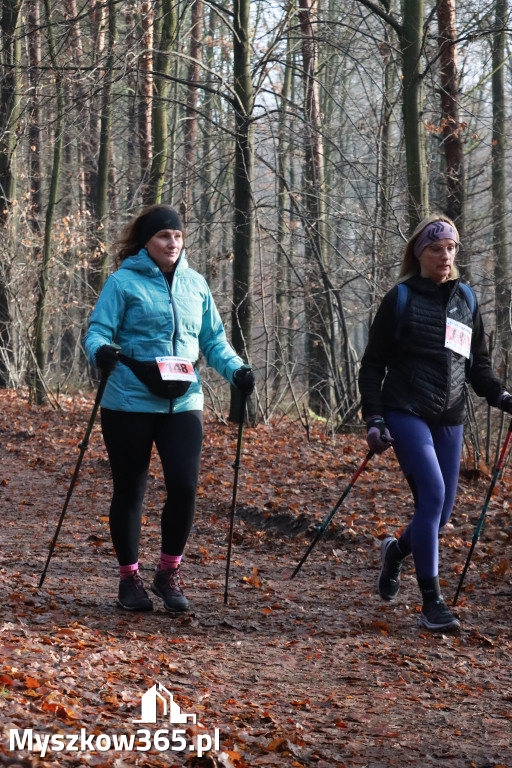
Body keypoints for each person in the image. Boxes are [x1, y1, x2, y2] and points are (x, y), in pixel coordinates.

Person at [84, 205, 255, 613]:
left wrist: (237, 370)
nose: (172, 243)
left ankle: (168, 573)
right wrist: (101, 352)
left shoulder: (196, 285)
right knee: (130, 490)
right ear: (146, 242)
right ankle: (129, 579)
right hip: (129, 400)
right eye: (164, 236)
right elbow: (97, 331)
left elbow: (213, 341)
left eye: (177, 236)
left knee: (184, 486)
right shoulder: (122, 282)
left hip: (184, 400)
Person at [358, 214, 512, 632]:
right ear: (419, 253)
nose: (445, 256)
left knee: (440, 515)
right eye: (436, 248)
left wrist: (500, 395)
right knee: (432, 493)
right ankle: (432, 603)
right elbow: (372, 365)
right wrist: (374, 418)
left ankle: (396, 551)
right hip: (406, 409)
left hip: (450, 415)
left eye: (451, 248)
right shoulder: (401, 298)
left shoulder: (466, 299)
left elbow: (478, 365)